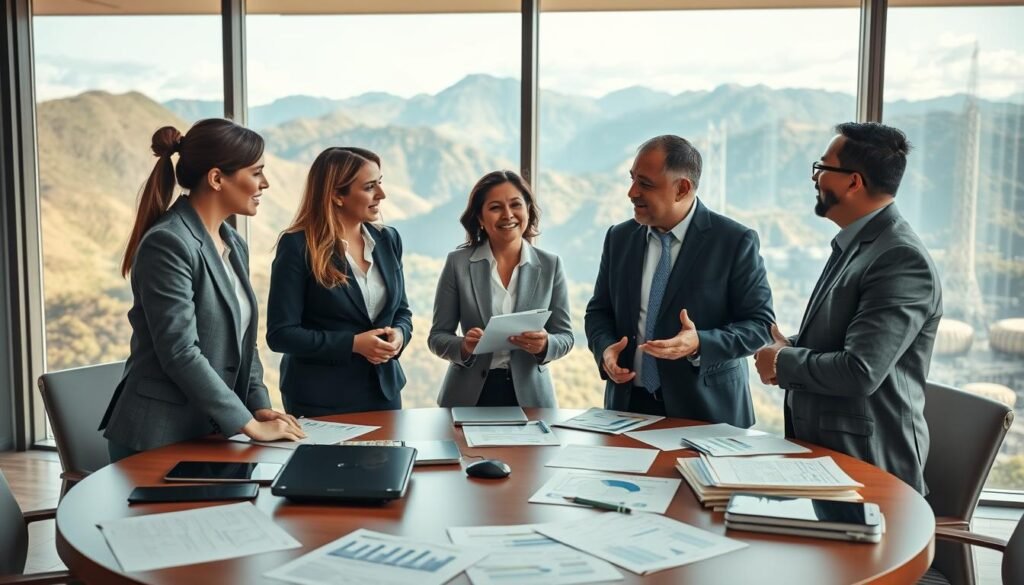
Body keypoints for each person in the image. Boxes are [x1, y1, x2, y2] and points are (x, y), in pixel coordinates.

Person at [101, 119, 305, 461]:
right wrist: (247, 424)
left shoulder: (232, 242)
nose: (265, 183)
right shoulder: (168, 242)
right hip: (158, 436)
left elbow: (245, 342)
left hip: (211, 432)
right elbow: (179, 351)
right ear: (216, 178)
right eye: (256, 172)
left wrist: (259, 408)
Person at [754, 122, 940, 494]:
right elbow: (844, 337)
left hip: (868, 468)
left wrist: (781, 362)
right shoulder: (858, 243)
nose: (815, 178)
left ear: (853, 182)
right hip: (828, 457)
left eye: (822, 168)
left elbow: (860, 370)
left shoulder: (900, 258)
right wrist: (788, 347)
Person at [585, 135, 774, 426]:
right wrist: (605, 349)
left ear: (682, 188)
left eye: (645, 184)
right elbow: (599, 312)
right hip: (626, 409)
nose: (631, 192)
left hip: (707, 413)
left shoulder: (734, 241)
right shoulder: (619, 238)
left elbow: (759, 325)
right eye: (632, 179)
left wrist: (700, 343)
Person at [267, 147, 412, 416]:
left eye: (380, 183)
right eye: (370, 187)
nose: (382, 194)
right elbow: (281, 335)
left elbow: (401, 311)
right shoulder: (298, 246)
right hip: (320, 399)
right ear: (336, 195)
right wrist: (353, 344)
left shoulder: (388, 239)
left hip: (384, 393)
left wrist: (400, 335)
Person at [429, 170, 573, 407]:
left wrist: (545, 345)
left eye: (516, 205)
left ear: (528, 210)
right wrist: (464, 347)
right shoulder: (458, 263)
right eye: (495, 207)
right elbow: (437, 337)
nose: (508, 215)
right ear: (480, 218)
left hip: (531, 398)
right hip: (468, 396)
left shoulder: (550, 265)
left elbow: (565, 336)